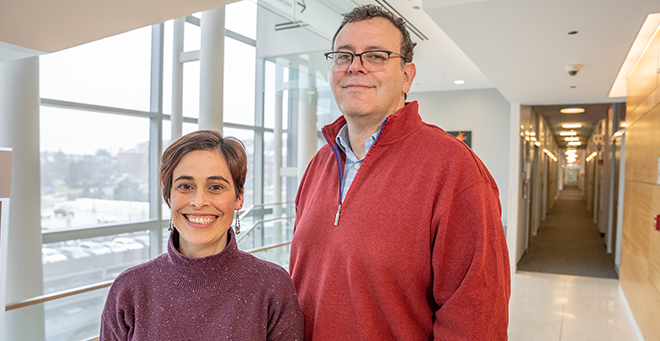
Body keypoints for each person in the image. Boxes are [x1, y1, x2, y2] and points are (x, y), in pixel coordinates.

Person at [289, 4, 510, 340]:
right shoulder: (318, 166)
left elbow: (477, 319)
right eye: (343, 55)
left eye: (375, 56)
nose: (355, 67)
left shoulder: (455, 170)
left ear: (407, 76)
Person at [101, 130, 304, 340]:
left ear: (239, 197)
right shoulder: (129, 290)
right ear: (169, 197)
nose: (199, 202)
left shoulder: (272, 287)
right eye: (185, 186)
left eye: (215, 187)